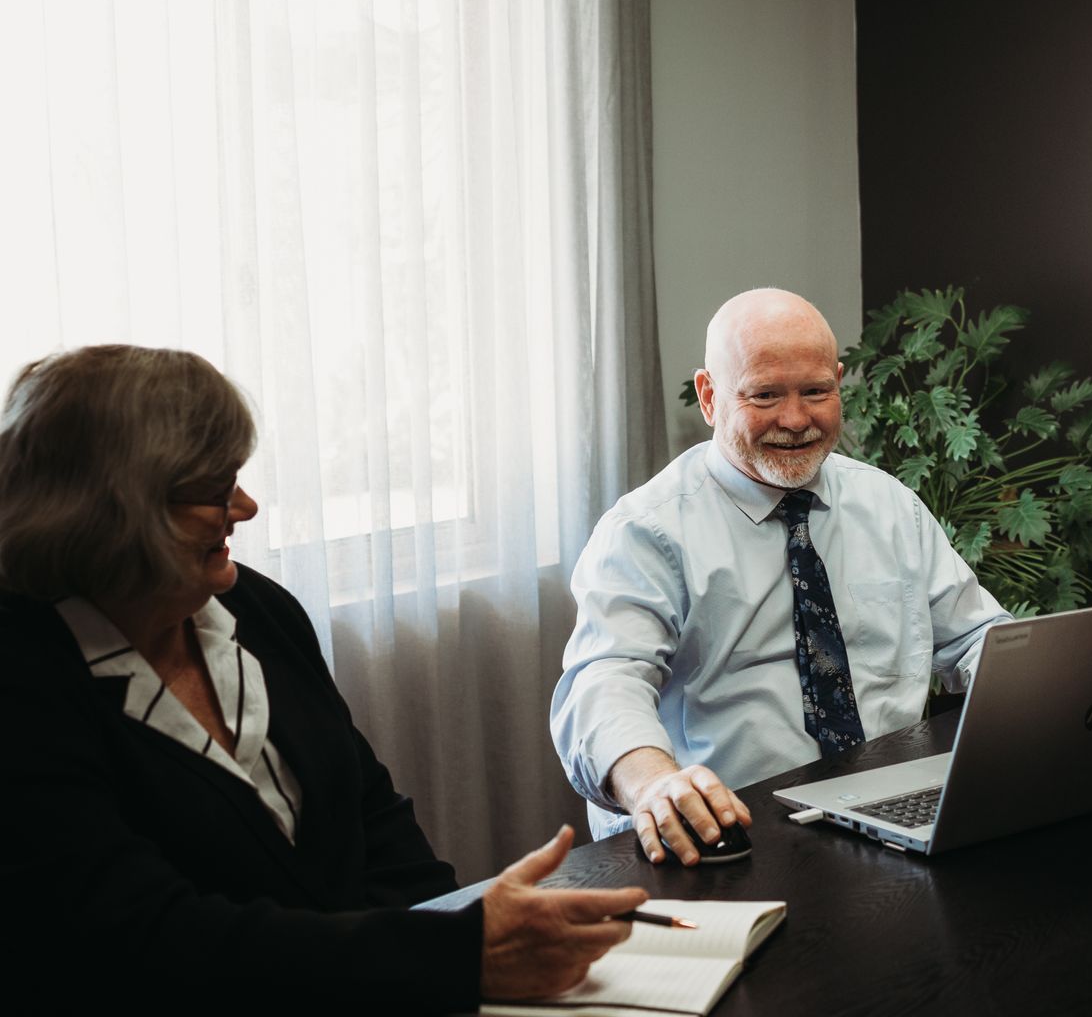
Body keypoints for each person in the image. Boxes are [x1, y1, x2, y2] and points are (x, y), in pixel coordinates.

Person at [0, 346, 647, 1013]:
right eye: (215, 488)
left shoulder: (255, 606)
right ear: (110, 507)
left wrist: (462, 930)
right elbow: (148, 936)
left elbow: (372, 814)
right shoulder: (24, 679)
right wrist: (453, 954)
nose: (245, 506)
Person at [550, 288, 1011, 862]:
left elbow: (974, 638)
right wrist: (650, 782)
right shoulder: (646, 531)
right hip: (730, 832)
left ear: (839, 382)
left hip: (886, 807)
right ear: (710, 396)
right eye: (764, 395)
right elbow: (604, 682)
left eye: (816, 392)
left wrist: (1048, 695)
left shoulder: (888, 504)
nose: (795, 420)